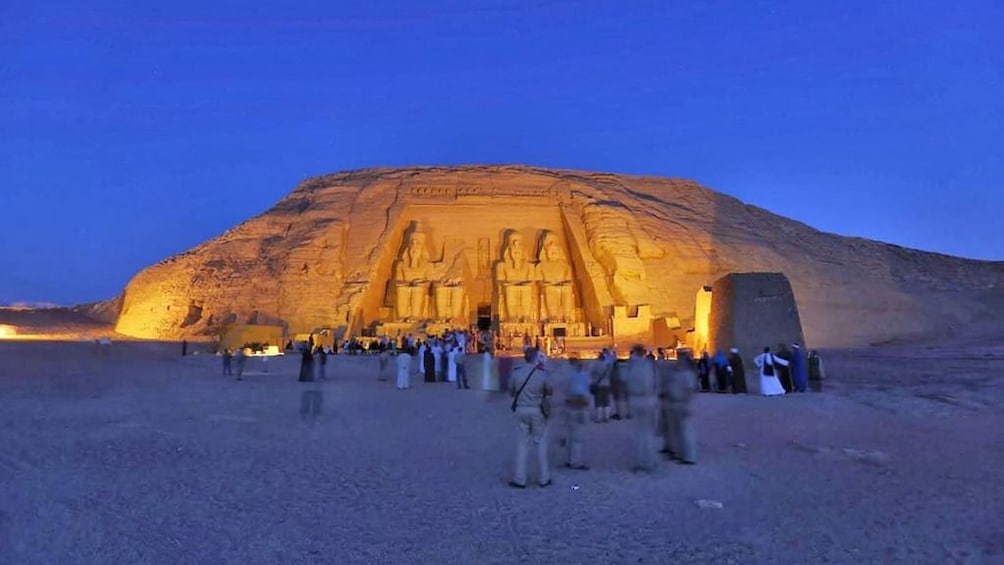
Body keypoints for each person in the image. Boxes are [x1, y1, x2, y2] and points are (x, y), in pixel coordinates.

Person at [509, 347, 552, 488]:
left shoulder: (517, 373)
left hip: (521, 409)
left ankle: (520, 478)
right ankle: (544, 478)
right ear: (535, 358)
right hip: (537, 409)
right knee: (540, 444)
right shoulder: (541, 374)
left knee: (522, 445)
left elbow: (511, 391)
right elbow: (549, 390)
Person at [658, 351, 697, 464]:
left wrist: (686, 404)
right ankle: (678, 452)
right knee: (676, 430)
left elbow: (690, 391)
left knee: (685, 431)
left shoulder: (688, 374)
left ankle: (689, 456)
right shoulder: (678, 372)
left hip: (683, 404)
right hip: (674, 403)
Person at [626, 345, 659, 472]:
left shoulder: (633, 366)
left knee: (640, 433)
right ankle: (649, 461)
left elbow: (628, 382)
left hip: (636, 400)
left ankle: (642, 461)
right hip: (648, 400)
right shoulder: (648, 366)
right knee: (647, 432)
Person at [563, 356, 591, 470]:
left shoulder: (567, 376)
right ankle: (576, 462)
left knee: (570, 435)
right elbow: (584, 392)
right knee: (578, 437)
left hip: (569, 406)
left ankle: (569, 459)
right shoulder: (583, 377)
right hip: (579, 407)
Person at [590, 352, 613, 422]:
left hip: (598, 385)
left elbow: (591, 374)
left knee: (598, 402)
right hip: (607, 385)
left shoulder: (595, 365)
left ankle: (599, 418)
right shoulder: (607, 366)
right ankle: (607, 417)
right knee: (606, 402)